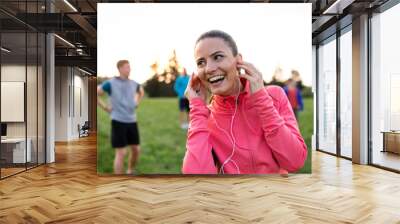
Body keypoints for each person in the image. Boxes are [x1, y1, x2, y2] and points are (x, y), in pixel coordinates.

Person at [182, 30, 307, 174]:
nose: (209, 68)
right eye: (201, 62)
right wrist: (197, 109)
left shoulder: (274, 95)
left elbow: (295, 161)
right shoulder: (206, 117)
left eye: (218, 57)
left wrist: (261, 101)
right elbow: (196, 178)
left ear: (238, 60)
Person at [97, 60, 144, 174]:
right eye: (127, 67)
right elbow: (96, 93)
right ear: (120, 69)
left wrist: (137, 102)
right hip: (118, 121)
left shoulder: (133, 83)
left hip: (132, 120)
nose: (129, 69)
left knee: (136, 150)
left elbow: (141, 91)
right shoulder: (110, 83)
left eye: (130, 67)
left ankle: (130, 170)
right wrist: (105, 107)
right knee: (121, 152)